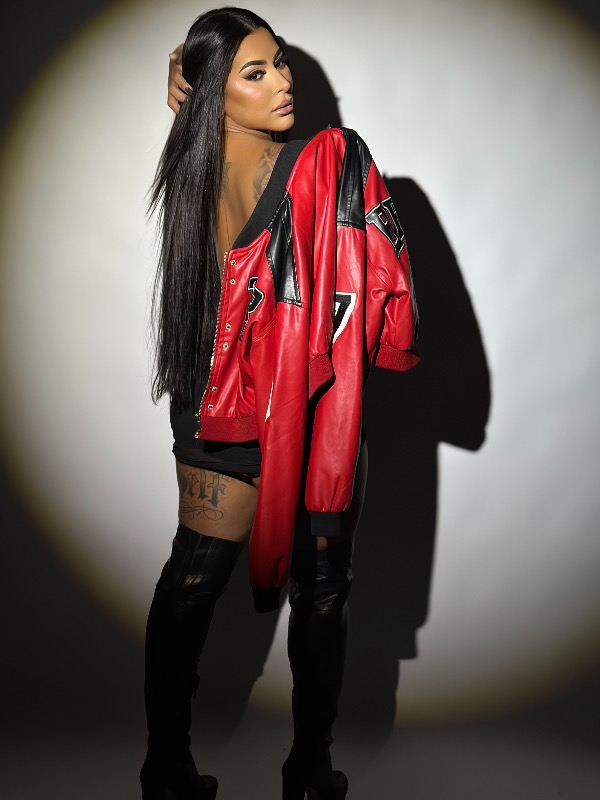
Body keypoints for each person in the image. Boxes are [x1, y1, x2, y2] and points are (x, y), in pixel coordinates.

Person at [141, 7, 419, 800]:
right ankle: (308, 771)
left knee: (194, 580)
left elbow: (203, 81)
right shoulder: (325, 162)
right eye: (255, 73)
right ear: (217, 94)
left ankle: (165, 768)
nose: (284, 82)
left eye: (282, 62)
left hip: (215, 397)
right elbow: (384, 282)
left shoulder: (195, 162)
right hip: (308, 397)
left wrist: (195, 75)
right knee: (322, 584)